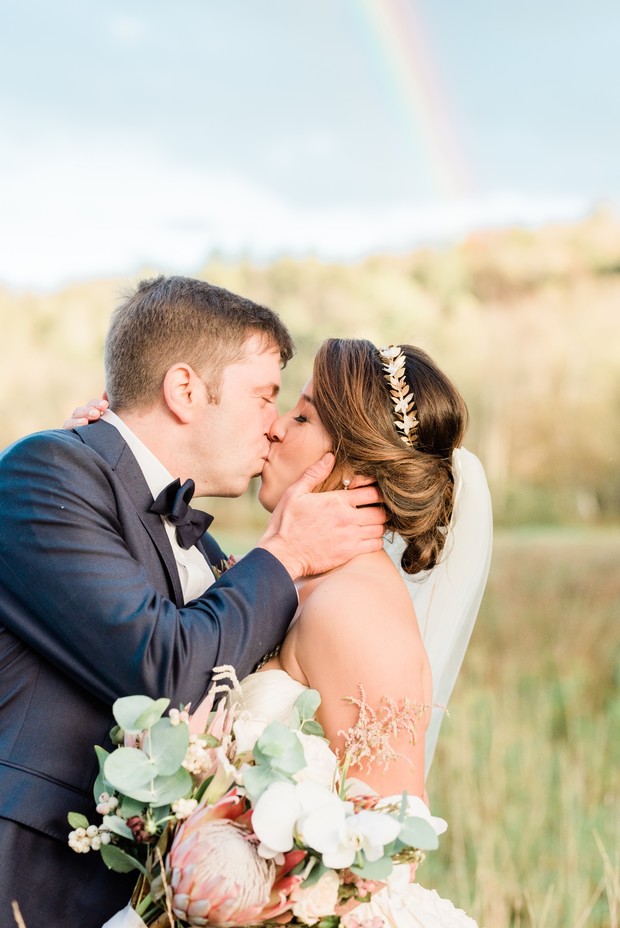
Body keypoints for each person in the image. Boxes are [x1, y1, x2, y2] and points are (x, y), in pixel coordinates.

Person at [0, 279, 387, 928]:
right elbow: (165, 669)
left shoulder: (204, 549)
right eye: (264, 395)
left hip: (159, 890)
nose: (274, 425)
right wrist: (286, 556)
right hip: (37, 884)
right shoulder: (44, 472)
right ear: (184, 391)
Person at [230, 338, 491, 926]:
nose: (274, 429)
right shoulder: (302, 582)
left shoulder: (354, 609)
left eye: (301, 417)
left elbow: (389, 849)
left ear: (354, 468)